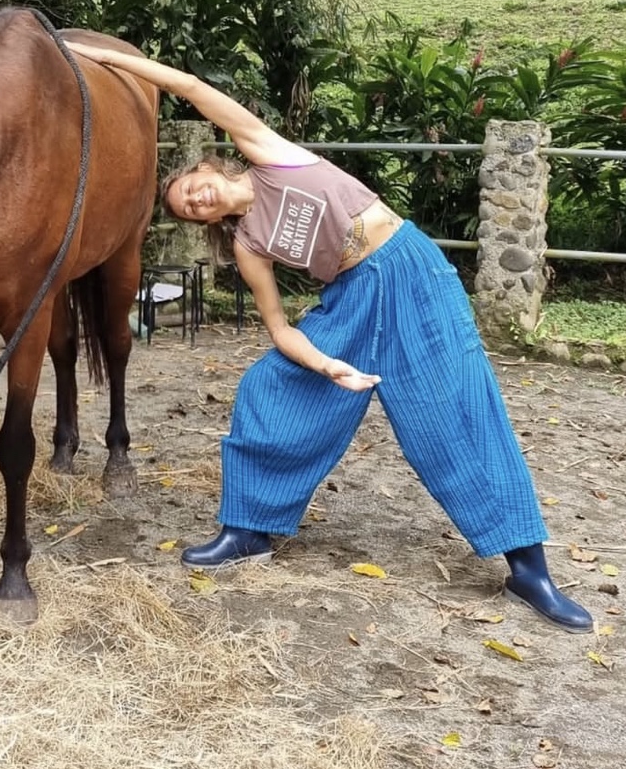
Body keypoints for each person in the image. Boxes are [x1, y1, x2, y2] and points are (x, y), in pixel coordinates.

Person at [65, 40, 593, 634]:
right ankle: (247, 530)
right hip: (351, 298)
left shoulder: (268, 153)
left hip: (408, 270)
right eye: (188, 212)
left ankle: (528, 567)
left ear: (208, 169)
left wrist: (95, 55)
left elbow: (187, 85)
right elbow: (280, 329)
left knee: (459, 410)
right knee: (270, 386)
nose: (194, 202)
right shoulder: (248, 245)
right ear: (204, 223)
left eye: (190, 190)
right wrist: (326, 367)